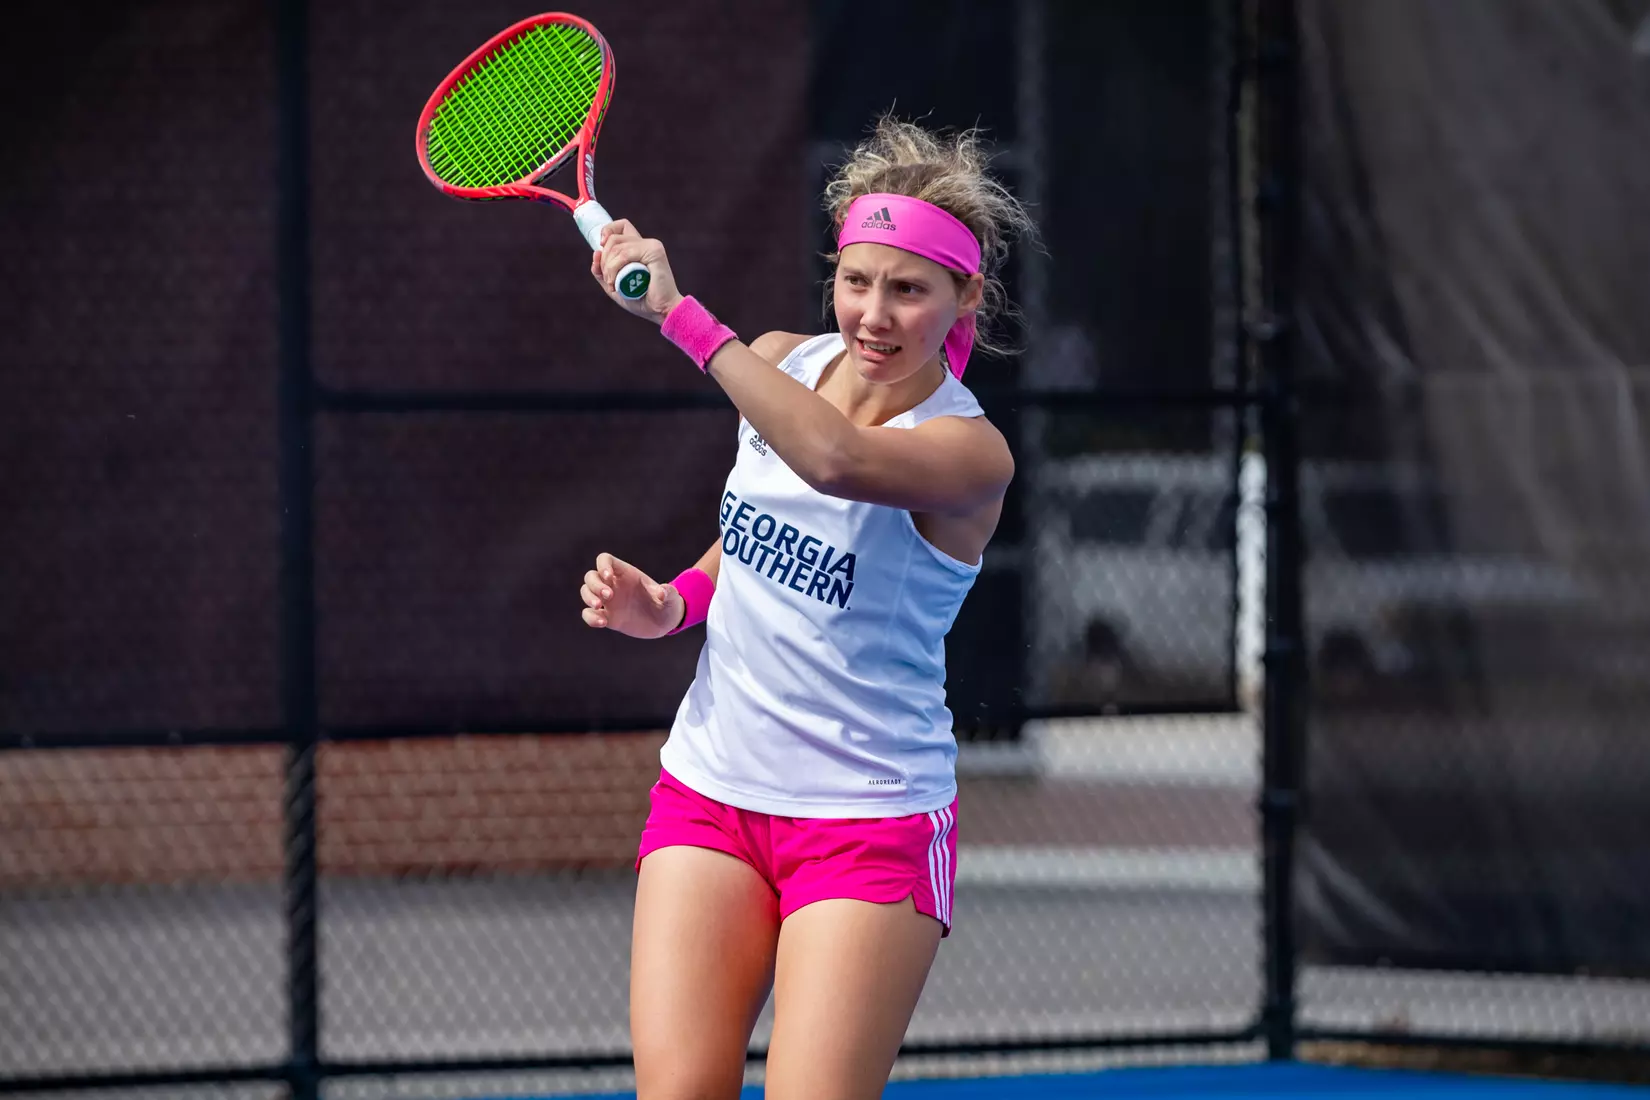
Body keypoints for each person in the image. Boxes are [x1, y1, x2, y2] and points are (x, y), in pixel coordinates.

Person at [577, 116, 1036, 1100]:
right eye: (858, 279)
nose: (874, 311)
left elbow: (834, 461)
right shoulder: (782, 362)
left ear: (964, 295)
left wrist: (681, 316)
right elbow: (754, 538)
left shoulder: (970, 453)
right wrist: (671, 601)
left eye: (908, 289)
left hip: (868, 819)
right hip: (710, 791)